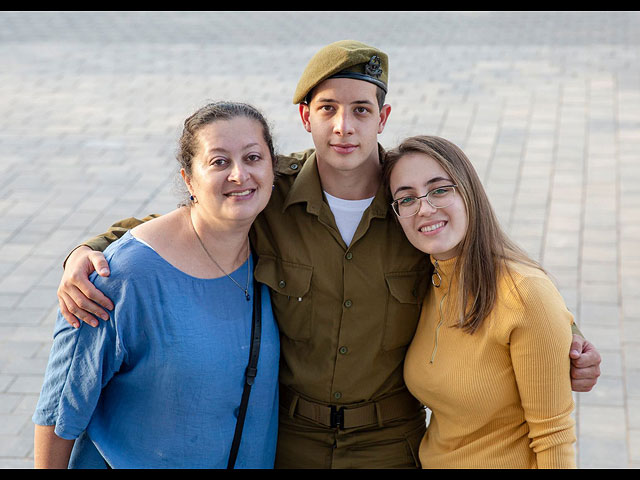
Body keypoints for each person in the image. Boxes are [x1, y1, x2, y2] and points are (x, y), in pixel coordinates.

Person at [55, 41, 600, 468]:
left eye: (362, 109)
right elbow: (190, 216)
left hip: (390, 442)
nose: (345, 126)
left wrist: (564, 334)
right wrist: (90, 248)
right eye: (329, 109)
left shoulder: (410, 200)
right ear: (304, 117)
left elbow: (485, 257)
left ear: (383, 118)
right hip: (289, 438)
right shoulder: (270, 191)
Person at [33, 102, 280, 468]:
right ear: (189, 180)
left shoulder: (268, 245)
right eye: (219, 162)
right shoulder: (123, 275)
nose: (240, 175)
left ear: (275, 168)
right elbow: (59, 409)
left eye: (253, 157)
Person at [383, 135, 577, 468]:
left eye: (440, 189)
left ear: (468, 191)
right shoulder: (428, 281)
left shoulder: (524, 293)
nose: (425, 208)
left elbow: (554, 437)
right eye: (406, 199)